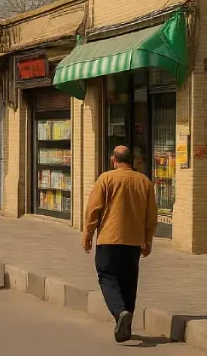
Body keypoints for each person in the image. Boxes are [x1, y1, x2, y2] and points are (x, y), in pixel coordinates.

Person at [83, 145, 157, 344]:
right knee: (128, 282)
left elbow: (93, 210)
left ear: (113, 160)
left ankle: (120, 312)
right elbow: (151, 216)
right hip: (133, 242)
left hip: (109, 239)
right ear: (130, 160)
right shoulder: (145, 182)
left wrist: (88, 234)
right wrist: (148, 239)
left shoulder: (106, 179)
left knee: (106, 276)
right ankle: (126, 324)